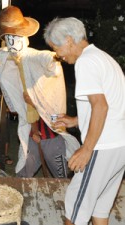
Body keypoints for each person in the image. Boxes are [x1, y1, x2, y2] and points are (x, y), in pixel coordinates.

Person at [0, 6, 79, 175]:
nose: (11, 42)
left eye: (15, 37)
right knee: (22, 175)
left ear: (24, 36)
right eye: (7, 37)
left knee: (60, 179)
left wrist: (54, 58)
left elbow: (45, 57)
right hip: (30, 132)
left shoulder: (32, 56)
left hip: (51, 135)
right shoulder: (7, 56)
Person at [44, 17, 125, 225]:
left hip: (101, 147)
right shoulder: (102, 58)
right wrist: (75, 120)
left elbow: (101, 106)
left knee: (75, 207)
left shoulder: (85, 62)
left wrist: (87, 149)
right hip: (119, 146)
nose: (58, 55)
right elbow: (111, 104)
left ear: (69, 40)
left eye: (57, 48)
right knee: (99, 207)